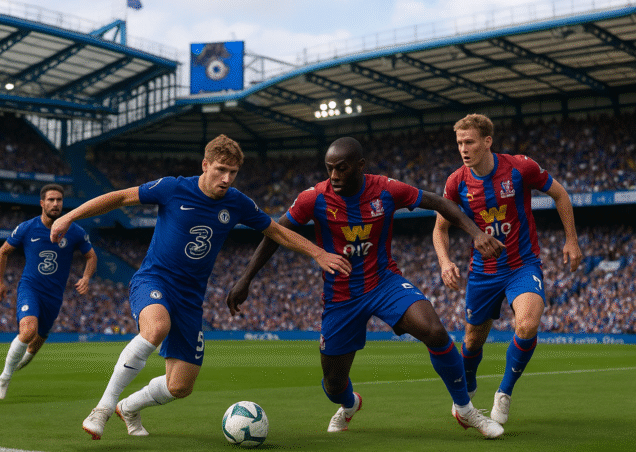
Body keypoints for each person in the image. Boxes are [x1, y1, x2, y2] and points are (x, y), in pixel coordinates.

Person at [49, 134, 351, 441]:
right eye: (220, 169)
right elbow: (118, 198)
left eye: (233, 173)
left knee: (179, 386)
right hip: (154, 281)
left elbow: (276, 231)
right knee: (156, 328)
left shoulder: (237, 203)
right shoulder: (173, 188)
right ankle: (102, 408)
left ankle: (128, 407)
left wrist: (318, 253)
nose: (226, 178)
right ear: (205, 165)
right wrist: (69, 217)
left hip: (191, 299)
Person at [228, 136, 506, 438]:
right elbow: (276, 232)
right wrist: (246, 278)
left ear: (360, 166)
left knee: (435, 331)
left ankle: (465, 409)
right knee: (334, 386)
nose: (334, 176)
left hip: (384, 282)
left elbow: (439, 202)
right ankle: (349, 405)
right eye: (329, 168)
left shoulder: (386, 189)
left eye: (342, 168)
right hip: (341, 298)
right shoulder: (315, 197)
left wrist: (477, 233)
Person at [432, 113, 582, 425]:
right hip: (483, 273)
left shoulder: (519, 167)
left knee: (526, 325)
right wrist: (445, 262)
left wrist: (571, 240)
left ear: (487, 142)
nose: (463, 148)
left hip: (522, 265)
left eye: (469, 141)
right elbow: (440, 228)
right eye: (459, 143)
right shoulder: (456, 181)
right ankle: (468, 385)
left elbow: (560, 194)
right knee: (472, 340)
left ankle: (504, 392)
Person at [0, 183, 97, 399]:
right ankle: (5, 377)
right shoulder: (27, 228)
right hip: (30, 288)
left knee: (37, 342)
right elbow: (3, 252)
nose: (56, 204)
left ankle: (13, 367)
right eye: (51, 200)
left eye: (59, 200)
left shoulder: (74, 230)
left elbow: (91, 255)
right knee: (28, 331)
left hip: (54, 296)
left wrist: (86, 277)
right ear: (42, 203)